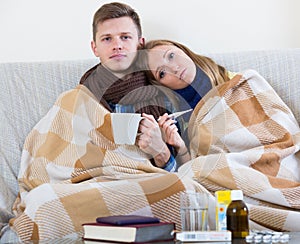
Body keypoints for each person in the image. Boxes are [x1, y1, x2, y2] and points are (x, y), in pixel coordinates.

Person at [79, 3, 179, 171]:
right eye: (107, 39)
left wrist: (160, 152)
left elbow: (184, 170)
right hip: (98, 179)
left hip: (148, 180)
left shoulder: (164, 92)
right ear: (94, 48)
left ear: (140, 44)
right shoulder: (82, 95)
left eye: (125, 37)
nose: (117, 45)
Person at [140, 39, 235, 162]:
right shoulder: (177, 122)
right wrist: (181, 147)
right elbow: (194, 170)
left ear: (183, 50)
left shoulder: (235, 80)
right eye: (162, 73)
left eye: (171, 56)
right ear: (161, 85)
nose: (174, 68)